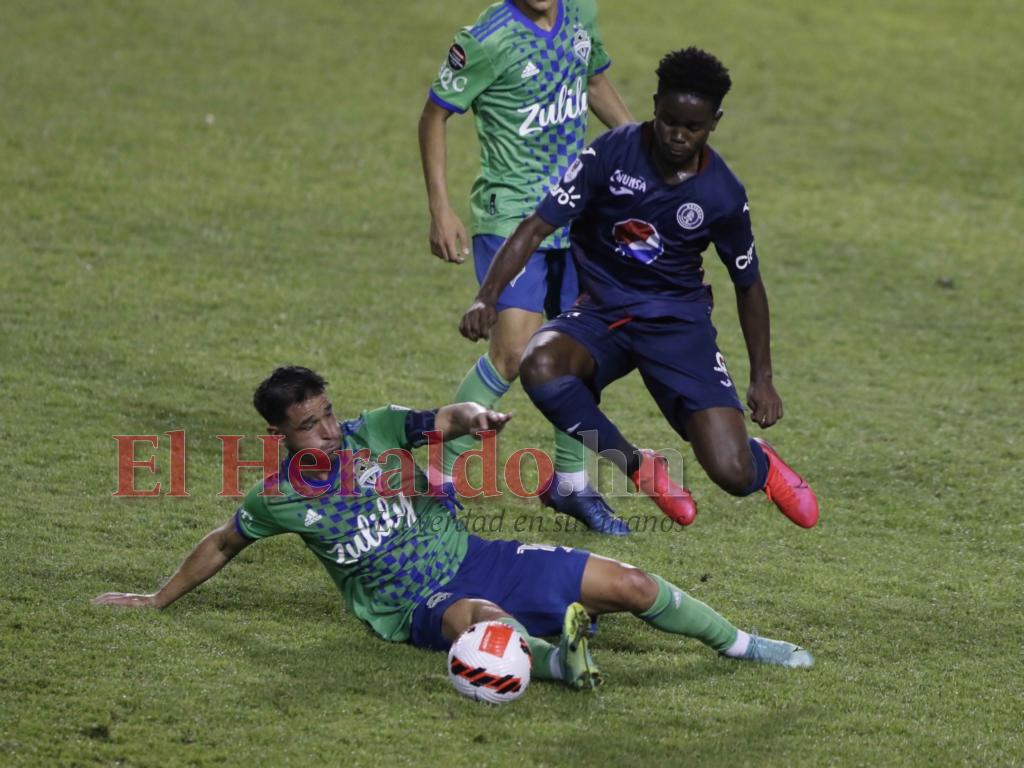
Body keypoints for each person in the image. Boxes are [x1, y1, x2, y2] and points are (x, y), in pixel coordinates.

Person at [93, 366, 814, 692]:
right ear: (278, 432)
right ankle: (558, 660)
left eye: (325, 413)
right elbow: (222, 540)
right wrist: (156, 599)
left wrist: (476, 418)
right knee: (485, 624)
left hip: (481, 554)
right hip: (416, 606)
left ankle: (744, 645)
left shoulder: (370, 430)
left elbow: (441, 420)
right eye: (306, 425)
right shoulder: (280, 498)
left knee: (631, 581)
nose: (326, 431)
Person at [459, 48, 820, 529]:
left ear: (715, 122)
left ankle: (764, 463)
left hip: (677, 324)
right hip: (603, 312)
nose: (676, 134)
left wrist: (763, 377)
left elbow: (748, 283)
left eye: (692, 127)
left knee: (732, 473)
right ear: (654, 105)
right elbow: (534, 227)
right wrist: (487, 295)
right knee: (539, 364)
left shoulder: (722, 194)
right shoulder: (611, 153)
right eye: (668, 119)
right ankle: (638, 466)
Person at [419, 0, 635, 535]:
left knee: (576, 351)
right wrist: (440, 209)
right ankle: (435, 478)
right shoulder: (487, 38)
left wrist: (636, 146)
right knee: (514, 352)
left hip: (577, 213)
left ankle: (570, 484)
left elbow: (592, 79)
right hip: (510, 216)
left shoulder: (580, 13)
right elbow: (434, 116)